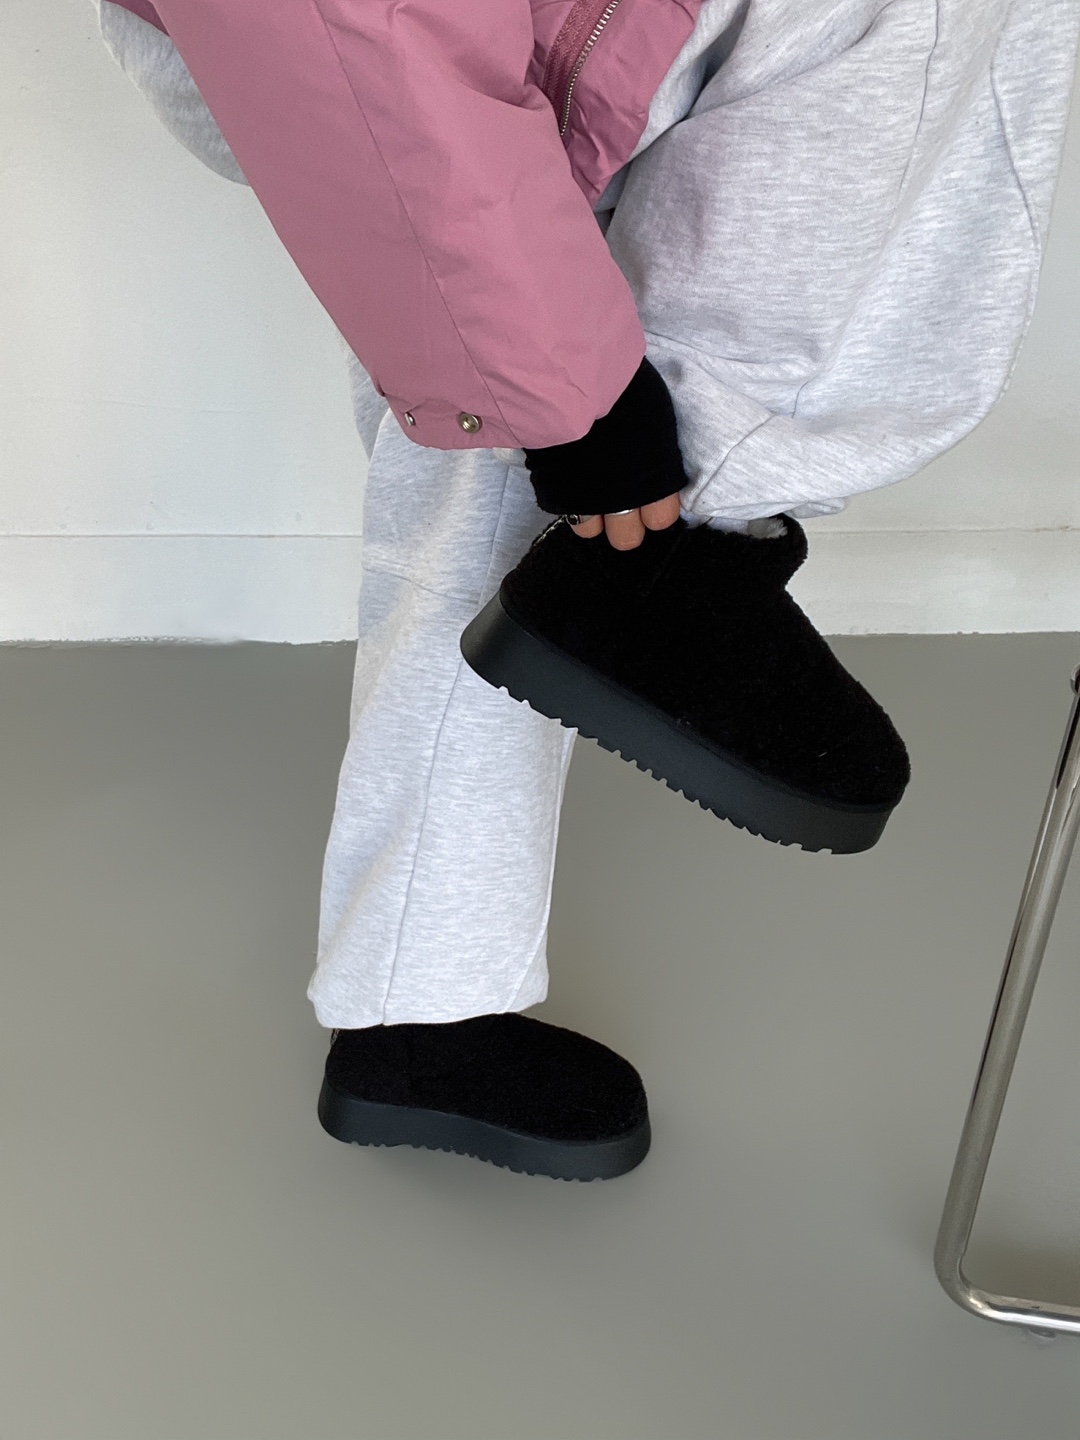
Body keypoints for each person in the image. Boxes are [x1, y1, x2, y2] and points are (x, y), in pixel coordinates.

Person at [93, 0, 1079, 1180]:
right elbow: (355, 43)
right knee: (523, 405)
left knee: (512, 411)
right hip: (358, 57)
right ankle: (666, 550)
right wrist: (588, 407)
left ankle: (424, 993)